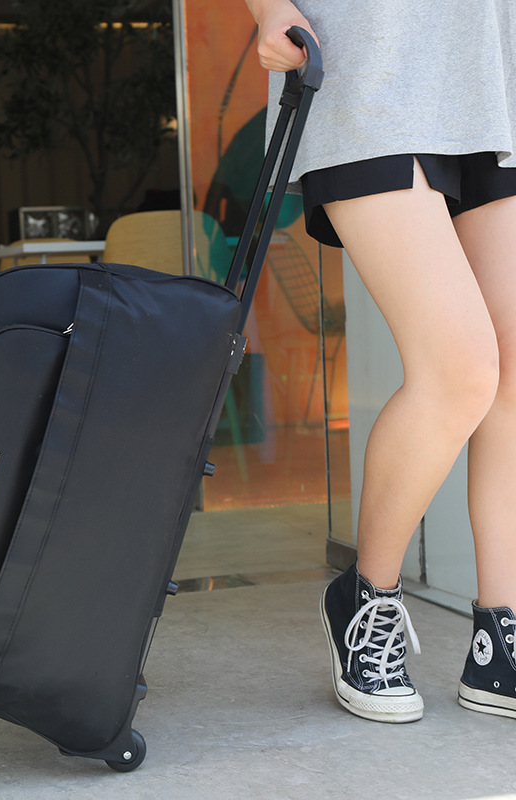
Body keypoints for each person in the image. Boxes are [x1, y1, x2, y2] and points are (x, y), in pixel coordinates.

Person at [243, 0, 516, 723]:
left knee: (515, 374)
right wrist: (266, 5)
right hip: (369, 68)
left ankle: (501, 637)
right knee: (460, 369)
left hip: (492, 75)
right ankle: (367, 597)